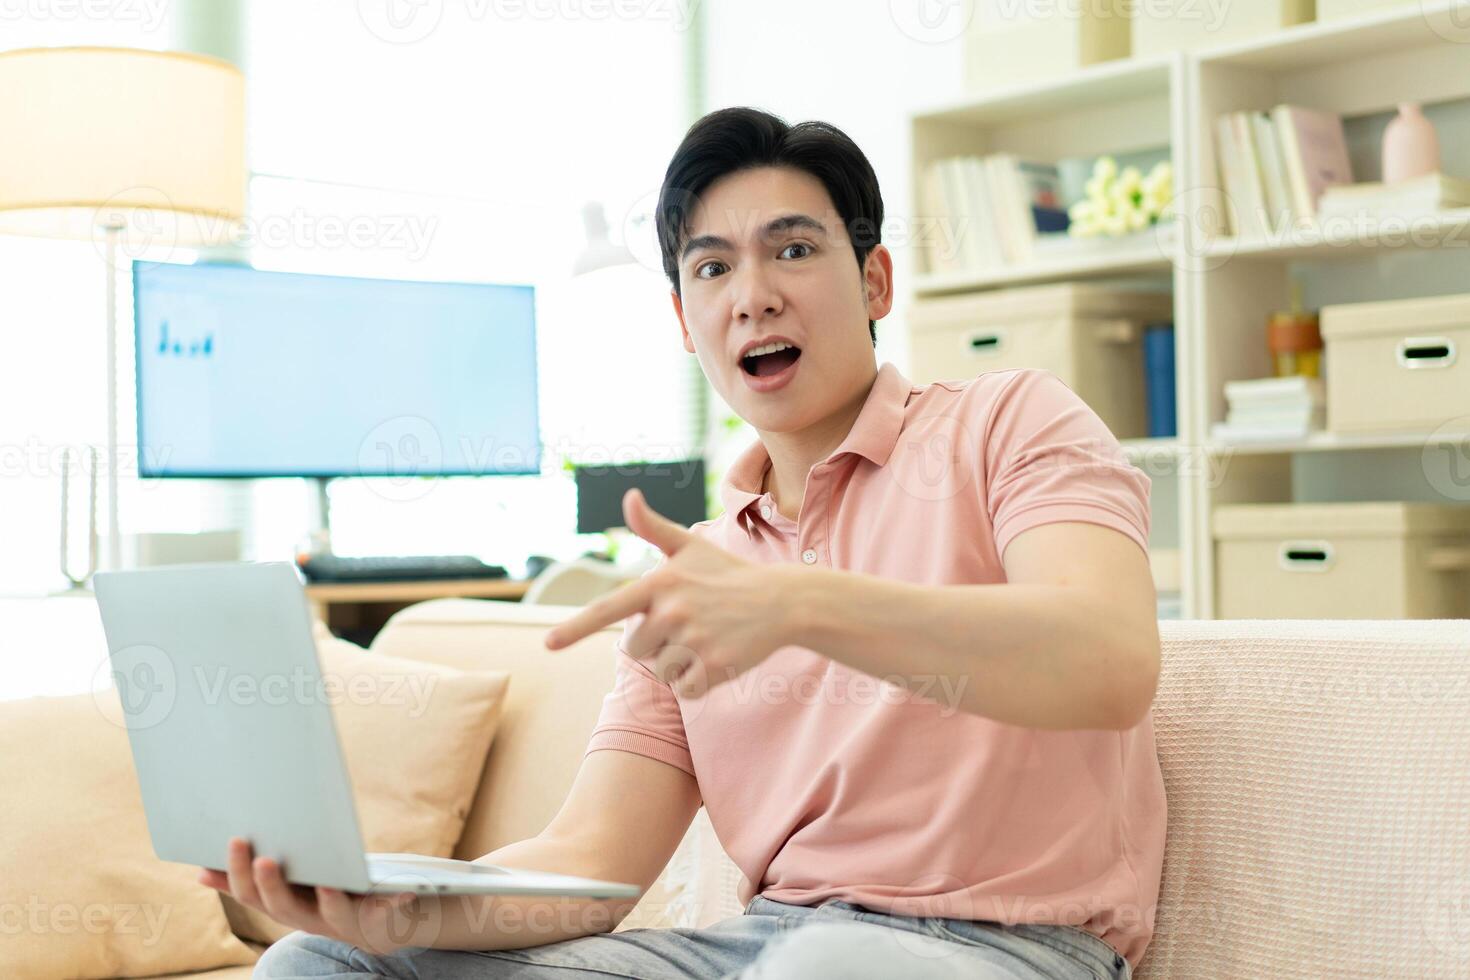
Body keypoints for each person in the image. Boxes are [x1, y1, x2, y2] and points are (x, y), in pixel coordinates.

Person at [225, 106, 1165, 979]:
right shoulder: (694, 573)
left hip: (1013, 947)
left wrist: (800, 605)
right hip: (759, 947)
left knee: (822, 968)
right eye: (712, 269)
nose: (752, 297)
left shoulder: (1010, 422)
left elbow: (1109, 660)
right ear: (685, 318)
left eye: (792, 250)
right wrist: (387, 905)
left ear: (874, 279)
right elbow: (590, 860)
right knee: (318, 964)